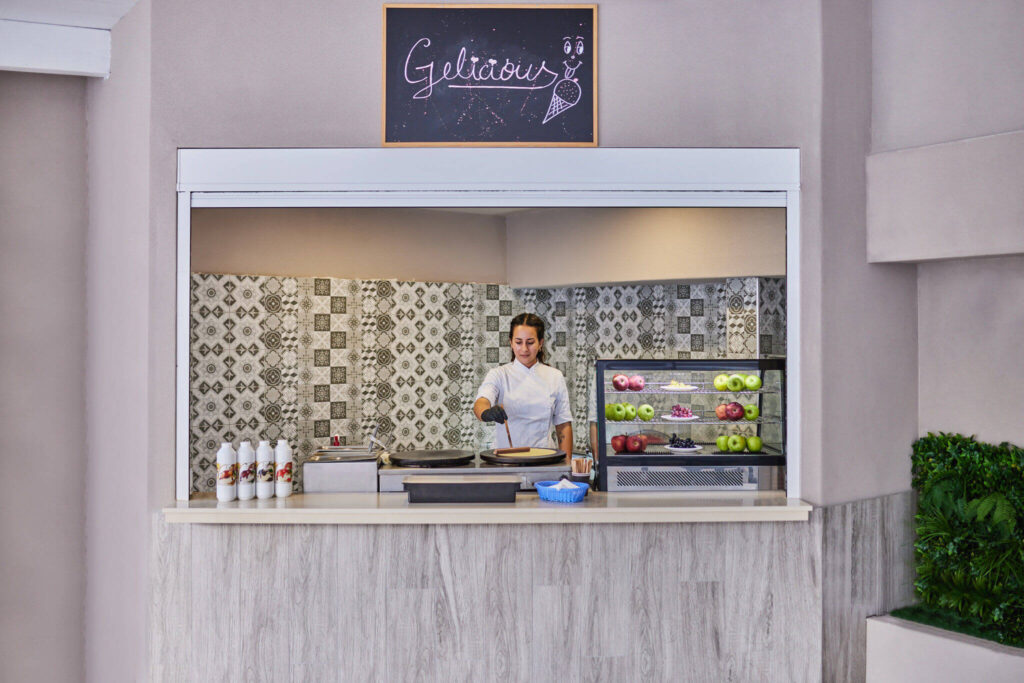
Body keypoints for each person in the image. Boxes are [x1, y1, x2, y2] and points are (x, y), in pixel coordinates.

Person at [473, 313, 573, 453]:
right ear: (511, 343)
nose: (524, 349)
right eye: (518, 342)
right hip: (506, 461)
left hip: (545, 460)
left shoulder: (555, 376)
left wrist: (566, 465)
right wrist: (486, 413)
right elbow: (481, 401)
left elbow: (563, 425)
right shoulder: (499, 374)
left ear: (540, 343)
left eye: (530, 342)